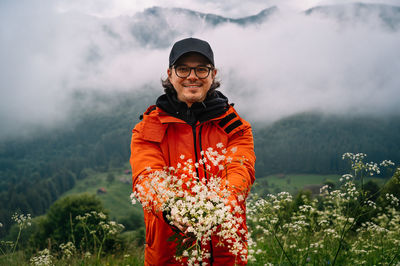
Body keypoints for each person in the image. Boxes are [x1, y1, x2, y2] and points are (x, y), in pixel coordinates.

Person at [130, 37, 256, 265]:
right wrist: (170, 209)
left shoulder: (236, 128)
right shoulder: (148, 129)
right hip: (170, 253)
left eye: (201, 69)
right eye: (183, 69)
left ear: (213, 74)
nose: (192, 76)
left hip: (226, 252)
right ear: (170, 74)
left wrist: (219, 208)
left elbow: (240, 170)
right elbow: (145, 177)